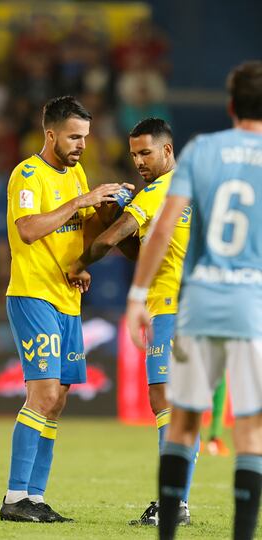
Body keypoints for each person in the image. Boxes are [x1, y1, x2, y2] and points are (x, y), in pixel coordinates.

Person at [126, 61, 262, 540]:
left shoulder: (203, 151)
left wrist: (137, 294)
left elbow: (162, 227)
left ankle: (169, 526)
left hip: (199, 298)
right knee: (249, 425)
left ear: (230, 106)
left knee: (181, 417)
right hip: (251, 302)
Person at [0, 95, 130, 523]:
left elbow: (80, 229)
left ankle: (34, 498)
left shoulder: (76, 175)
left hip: (66, 297)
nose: (80, 146)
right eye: (74, 137)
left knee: (58, 402)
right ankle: (14, 497)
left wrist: (105, 213)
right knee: (43, 394)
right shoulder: (28, 175)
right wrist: (80, 201)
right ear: (50, 133)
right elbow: (29, 229)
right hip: (33, 294)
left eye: (85, 138)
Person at [68, 118, 199, 526]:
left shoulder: (158, 192)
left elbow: (105, 242)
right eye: (134, 155)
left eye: (146, 153)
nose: (139, 162)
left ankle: (173, 503)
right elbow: (143, 253)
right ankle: (177, 500)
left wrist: (78, 262)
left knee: (164, 401)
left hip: (171, 307)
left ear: (167, 149)